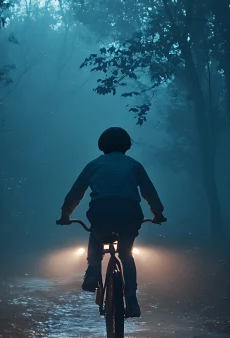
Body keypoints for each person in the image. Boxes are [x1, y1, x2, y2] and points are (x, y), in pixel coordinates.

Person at [56, 127, 166, 318]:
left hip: (101, 213)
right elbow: (149, 193)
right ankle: (132, 300)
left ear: (102, 146)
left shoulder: (94, 165)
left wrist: (66, 215)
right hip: (129, 214)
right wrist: (158, 214)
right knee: (126, 254)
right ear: (127, 146)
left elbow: (76, 193)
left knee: (96, 236)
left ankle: (92, 274)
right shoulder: (134, 165)